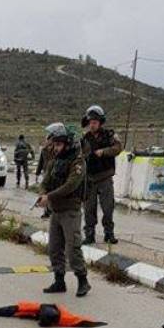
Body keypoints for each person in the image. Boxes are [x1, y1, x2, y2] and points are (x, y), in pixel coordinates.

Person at [37, 123, 90, 298]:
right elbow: (45, 180)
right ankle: (59, 281)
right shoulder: (56, 160)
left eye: (59, 144)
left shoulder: (78, 161)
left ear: (67, 144)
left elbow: (70, 185)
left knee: (73, 248)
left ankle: (83, 280)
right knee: (54, 248)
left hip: (70, 211)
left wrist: (49, 197)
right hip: (56, 211)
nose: (55, 148)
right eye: (55, 144)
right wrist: (42, 193)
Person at [80, 106, 122, 245]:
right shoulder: (85, 138)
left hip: (105, 178)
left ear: (100, 123)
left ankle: (109, 234)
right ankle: (89, 234)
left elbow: (118, 148)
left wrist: (104, 152)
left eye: (95, 122)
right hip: (90, 178)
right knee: (89, 209)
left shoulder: (109, 135)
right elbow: (79, 154)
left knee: (108, 208)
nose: (92, 125)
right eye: (90, 122)